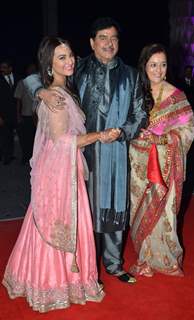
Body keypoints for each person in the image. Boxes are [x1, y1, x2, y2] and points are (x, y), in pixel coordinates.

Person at [24, 17, 147, 284]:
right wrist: (41, 92)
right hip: (82, 153)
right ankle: (86, 269)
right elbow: (34, 76)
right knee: (82, 212)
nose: (109, 43)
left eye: (113, 38)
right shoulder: (77, 68)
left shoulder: (131, 75)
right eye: (103, 38)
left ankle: (113, 265)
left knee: (114, 207)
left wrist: (122, 132)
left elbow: (140, 114)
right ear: (92, 42)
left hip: (114, 152)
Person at [2, 36, 109, 312]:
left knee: (44, 220)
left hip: (63, 169)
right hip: (61, 173)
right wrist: (101, 135)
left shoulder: (65, 87)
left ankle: (42, 279)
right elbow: (63, 140)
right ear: (49, 64)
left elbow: (31, 82)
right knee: (60, 220)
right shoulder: (57, 97)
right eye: (61, 57)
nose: (70, 60)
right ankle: (54, 284)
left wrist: (41, 89)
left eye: (70, 55)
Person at [129, 44, 194, 277]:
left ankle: (166, 257)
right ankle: (145, 257)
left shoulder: (177, 96)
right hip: (138, 161)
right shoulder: (134, 91)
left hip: (165, 162)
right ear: (144, 67)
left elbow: (189, 128)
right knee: (140, 208)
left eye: (163, 64)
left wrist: (164, 138)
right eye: (153, 65)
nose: (158, 70)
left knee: (164, 211)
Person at [15, 63, 37, 164]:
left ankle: (35, 159)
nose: (32, 70)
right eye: (30, 69)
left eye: (33, 69)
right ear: (27, 70)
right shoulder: (22, 83)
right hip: (26, 114)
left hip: (38, 116)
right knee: (26, 138)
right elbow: (18, 100)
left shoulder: (40, 81)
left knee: (36, 139)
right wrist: (18, 115)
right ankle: (26, 157)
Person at [0, 59, 19, 164]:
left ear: (10, 68)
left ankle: (10, 155)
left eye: (4, 67)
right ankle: (5, 157)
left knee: (11, 135)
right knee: (4, 136)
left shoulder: (18, 78)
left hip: (16, 113)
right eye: (1, 67)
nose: (1, 69)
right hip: (3, 114)